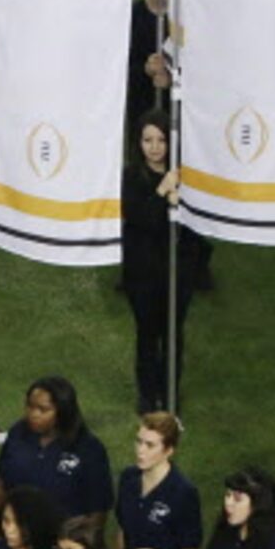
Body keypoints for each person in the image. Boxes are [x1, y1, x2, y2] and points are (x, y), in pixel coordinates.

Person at [121, 113, 208, 416]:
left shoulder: (188, 177)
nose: (155, 148)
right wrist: (162, 193)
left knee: (173, 333)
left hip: (177, 270)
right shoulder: (131, 177)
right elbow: (141, 218)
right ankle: (147, 395)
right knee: (147, 333)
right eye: (148, 140)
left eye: (161, 140)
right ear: (138, 142)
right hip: (143, 271)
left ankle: (170, 392)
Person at [0, 378, 112, 527]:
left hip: (63, 541)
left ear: (63, 411)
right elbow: (2, 485)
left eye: (43, 410)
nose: (34, 414)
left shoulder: (89, 449)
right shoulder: (18, 434)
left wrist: (83, 544)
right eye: (30, 406)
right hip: (17, 534)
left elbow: (98, 510)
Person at [113, 411, 201, 549]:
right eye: (139, 441)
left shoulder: (183, 492)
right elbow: (122, 530)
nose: (140, 450)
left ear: (169, 450)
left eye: (150, 445)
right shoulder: (128, 479)